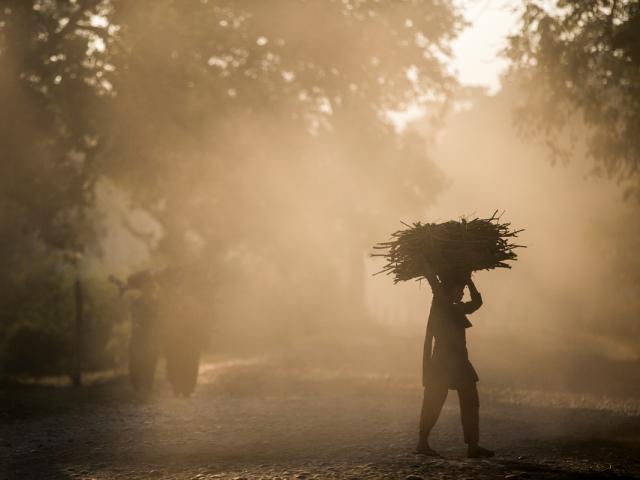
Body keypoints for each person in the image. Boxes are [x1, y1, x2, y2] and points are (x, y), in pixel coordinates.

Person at [415, 266, 494, 458]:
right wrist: (427, 269)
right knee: (434, 401)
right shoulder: (442, 303)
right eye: (459, 290)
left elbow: (477, 302)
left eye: (463, 291)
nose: (462, 293)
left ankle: (473, 446)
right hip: (442, 362)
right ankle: (422, 442)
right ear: (450, 290)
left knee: (470, 400)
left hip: (460, 362)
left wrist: (469, 281)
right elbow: (436, 286)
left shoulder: (457, 308)